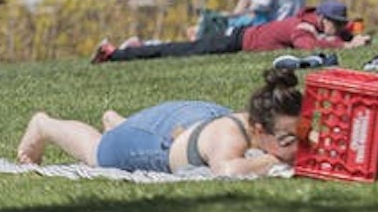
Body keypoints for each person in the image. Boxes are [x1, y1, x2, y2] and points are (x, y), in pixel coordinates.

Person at [15, 66, 304, 176]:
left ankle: (120, 124)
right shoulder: (228, 139)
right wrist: (273, 161)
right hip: (160, 140)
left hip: (195, 120)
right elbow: (227, 171)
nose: (296, 146)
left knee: (129, 131)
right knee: (98, 153)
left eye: (299, 134)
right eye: (287, 141)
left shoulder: (270, 121)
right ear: (257, 129)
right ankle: (43, 125)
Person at [92, 0, 370, 63]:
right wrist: (346, 47)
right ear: (322, 17)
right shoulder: (303, 27)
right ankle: (116, 54)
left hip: (239, 38)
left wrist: (349, 35)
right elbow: (308, 48)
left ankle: (134, 46)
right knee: (179, 50)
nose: (336, 25)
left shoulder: (315, 22)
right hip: (235, 42)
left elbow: (333, 34)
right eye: (333, 20)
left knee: (180, 48)